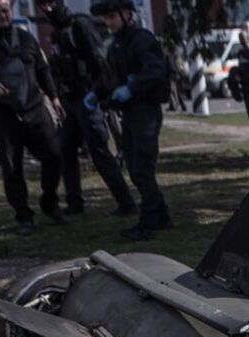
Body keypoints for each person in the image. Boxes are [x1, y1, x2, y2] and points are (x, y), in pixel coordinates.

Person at [0, 0, 66, 235]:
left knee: (54, 156)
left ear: (11, 10)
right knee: (12, 166)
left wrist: (54, 97)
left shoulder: (26, 38)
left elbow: (42, 69)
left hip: (34, 108)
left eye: (5, 10)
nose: (2, 15)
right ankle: (24, 215)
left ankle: (50, 203)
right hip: (3, 113)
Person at [42, 0, 135, 218]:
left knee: (99, 151)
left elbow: (100, 61)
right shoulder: (56, 33)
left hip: (87, 97)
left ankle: (126, 203)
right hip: (69, 100)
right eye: (42, 6)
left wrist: (98, 95)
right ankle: (74, 202)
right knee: (65, 150)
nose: (46, 9)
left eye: (49, 4)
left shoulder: (79, 25)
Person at [90, 0, 170, 240]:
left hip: (145, 111)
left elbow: (155, 71)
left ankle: (148, 223)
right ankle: (162, 216)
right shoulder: (118, 43)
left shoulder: (141, 39)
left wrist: (132, 88)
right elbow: (110, 76)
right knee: (135, 167)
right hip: (131, 113)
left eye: (112, 17)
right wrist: (96, 93)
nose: (109, 22)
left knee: (141, 168)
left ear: (127, 14)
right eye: (106, 18)